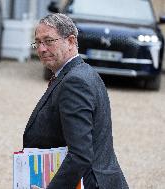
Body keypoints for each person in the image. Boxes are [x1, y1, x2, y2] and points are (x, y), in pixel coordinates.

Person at [23, 13, 129, 189]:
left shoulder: (75, 81)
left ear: (71, 41)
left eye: (48, 41)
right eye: (38, 42)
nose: (41, 49)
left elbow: (80, 155)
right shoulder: (80, 73)